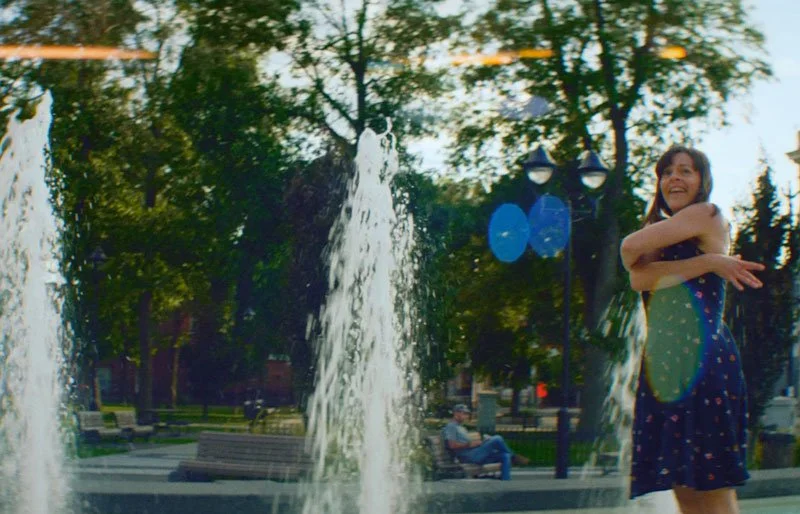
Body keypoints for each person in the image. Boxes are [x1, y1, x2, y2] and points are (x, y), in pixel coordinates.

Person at [620, 146, 764, 514]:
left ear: (702, 181)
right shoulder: (661, 229)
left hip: (701, 362)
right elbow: (636, 276)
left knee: (712, 488)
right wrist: (709, 262)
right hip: (666, 367)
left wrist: (698, 263)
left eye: (686, 171)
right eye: (667, 172)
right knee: (685, 488)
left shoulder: (706, 214)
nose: (674, 178)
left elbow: (630, 246)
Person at [441, 404, 529, 480]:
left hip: (475, 453)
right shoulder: (451, 427)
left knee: (505, 456)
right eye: (464, 413)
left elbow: (468, 443)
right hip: (467, 456)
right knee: (497, 439)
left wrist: (480, 442)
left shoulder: (461, 427)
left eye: (467, 414)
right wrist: (470, 444)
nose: (466, 416)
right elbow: (452, 445)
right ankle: (515, 457)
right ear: (456, 413)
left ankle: (506, 481)